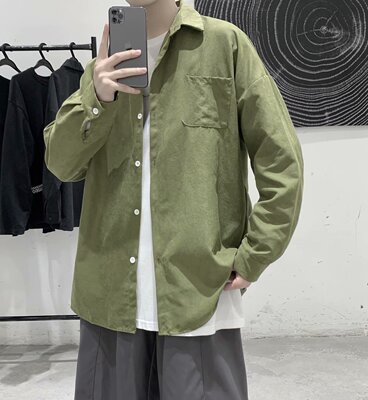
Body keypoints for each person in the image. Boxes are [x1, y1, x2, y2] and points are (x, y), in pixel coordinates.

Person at [43, 0, 304, 398]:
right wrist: (97, 98)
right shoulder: (102, 67)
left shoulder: (225, 45)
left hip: (198, 289)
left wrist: (256, 253)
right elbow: (60, 164)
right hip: (110, 292)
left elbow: (282, 161)